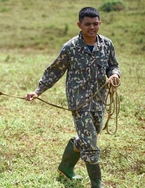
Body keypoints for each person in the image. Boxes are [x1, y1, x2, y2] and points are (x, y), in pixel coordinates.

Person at [25, 7, 121, 188]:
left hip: (100, 100)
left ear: (99, 23)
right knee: (91, 145)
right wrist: (38, 91)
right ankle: (97, 184)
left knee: (89, 136)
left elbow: (113, 65)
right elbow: (54, 71)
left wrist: (114, 75)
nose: (92, 27)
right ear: (80, 25)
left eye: (95, 23)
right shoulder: (70, 47)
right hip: (79, 102)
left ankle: (65, 167)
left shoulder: (107, 44)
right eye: (87, 24)